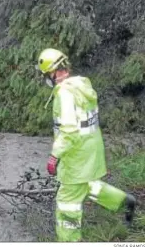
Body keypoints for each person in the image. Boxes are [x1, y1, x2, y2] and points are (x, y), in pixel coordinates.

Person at [37, 48, 137, 242]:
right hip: (91, 148)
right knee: (87, 185)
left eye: (46, 74)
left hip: (76, 153)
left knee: (67, 201)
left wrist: (54, 155)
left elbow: (69, 130)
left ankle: (69, 240)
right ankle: (125, 201)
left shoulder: (65, 94)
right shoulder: (81, 85)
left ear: (55, 72)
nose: (46, 78)